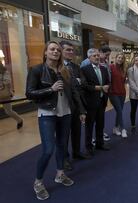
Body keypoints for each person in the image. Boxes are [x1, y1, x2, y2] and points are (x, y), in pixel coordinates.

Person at [26, 41, 86, 200]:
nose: (55, 52)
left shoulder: (64, 70)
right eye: (52, 49)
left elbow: (73, 91)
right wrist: (50, 89)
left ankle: (60, 174)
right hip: (47, 113)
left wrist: (80, 110)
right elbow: (30, 93)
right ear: (45, 52)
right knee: (48, 149)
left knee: (62, 145)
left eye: (58, 50)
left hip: (65, 113)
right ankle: (38, 182)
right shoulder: (37, 70)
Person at [60, 41, 89, 171]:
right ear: (61, 51)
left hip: (77, 103)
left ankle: (76, 152)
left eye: (72, 50)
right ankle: (64, 159)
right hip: (64, 104)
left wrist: (76, 81)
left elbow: (82, 81)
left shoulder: (76, 67)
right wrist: (75, 81)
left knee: (77, 130)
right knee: (65, 134)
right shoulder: (58, 67)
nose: (71, 52)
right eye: (68, 50)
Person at [81, 48, 111, 156]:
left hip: (102, 101)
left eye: (98, 55)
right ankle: (88, 147)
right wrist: (99, 88)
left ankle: (100, 143)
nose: (97, 57)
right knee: (89, 126)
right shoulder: (84, 69)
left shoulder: (103, 69)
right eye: (94, 56)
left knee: (100, 124)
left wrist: (107, 86)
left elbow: (107, 81)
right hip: (90, 103)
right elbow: (84, 86)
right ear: (89, 58)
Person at [109, 52, 128, 138]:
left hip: (122, 93)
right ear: (116, 58)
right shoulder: (111, 67)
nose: (120, 59)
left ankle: (116, 128)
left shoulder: (124, 69)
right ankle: (123, 129)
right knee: (119, 111)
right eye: (119, 58)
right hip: (113, 93)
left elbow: (124, 82)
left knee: (119, 111)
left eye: (122, 58)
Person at [0, 63, 23, 129]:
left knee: (8, 111)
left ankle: (19, 120)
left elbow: (7, 82)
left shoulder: (5, 72)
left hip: (4, 94)